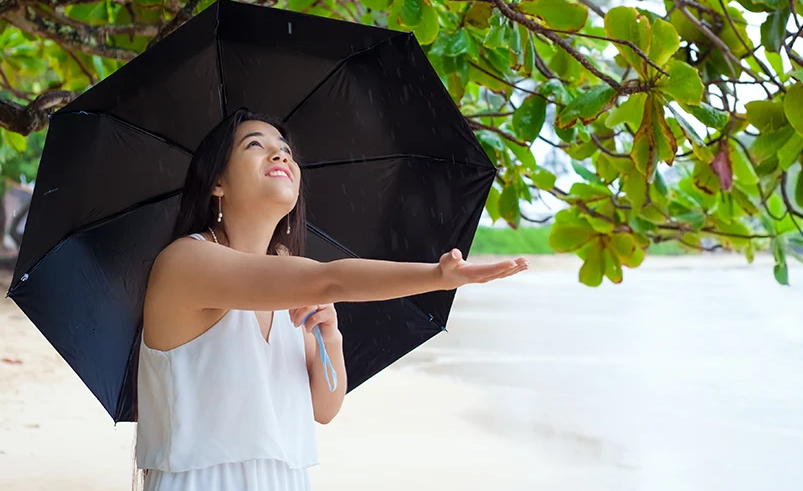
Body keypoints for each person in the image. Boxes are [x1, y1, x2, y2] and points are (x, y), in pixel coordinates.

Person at [134, 109, 528, 491]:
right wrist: (436, 276)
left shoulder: (288, 275)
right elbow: (330, 278)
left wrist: (331, 334)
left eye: (285, 148)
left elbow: (324, 407)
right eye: (256, 145)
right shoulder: (187, 261)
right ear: (217, 182)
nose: (280, 154)